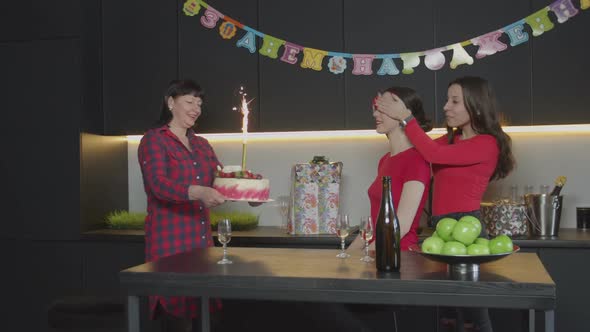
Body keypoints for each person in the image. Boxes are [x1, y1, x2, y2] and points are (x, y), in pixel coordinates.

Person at [375, 76, 516, 332]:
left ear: (476, 105)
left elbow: (433, 154)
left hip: (467, 230)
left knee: (474, 312)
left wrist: (406, 117)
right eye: (446, 100)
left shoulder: (487, 144)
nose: (445, 107)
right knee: (448, 314)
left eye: (454, 101)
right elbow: (418, 151)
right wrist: (391, 120)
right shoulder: (451, 139)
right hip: (441, 230)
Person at [138, 79, 226, 332]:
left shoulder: (202, 144)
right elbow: (158, 185)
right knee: (177, 319)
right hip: (170, 243)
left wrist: (247, 191)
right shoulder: (154, 140)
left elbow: (220, 180)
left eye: (199, 103)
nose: (196, 108)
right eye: (189, 101)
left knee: (204, 316)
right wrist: (197, 191)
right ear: (170, 103)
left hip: (201, 244)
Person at [349, 86, 432, 253]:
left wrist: (366, 254)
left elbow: (402, 225)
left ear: (405, 113)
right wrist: (347, 255)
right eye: (377, 109)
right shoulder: (385, 160)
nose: (375, 114)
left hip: (398, 256)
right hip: (375, 253)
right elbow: (373, 222)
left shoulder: (417, 160)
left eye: (385, 109)